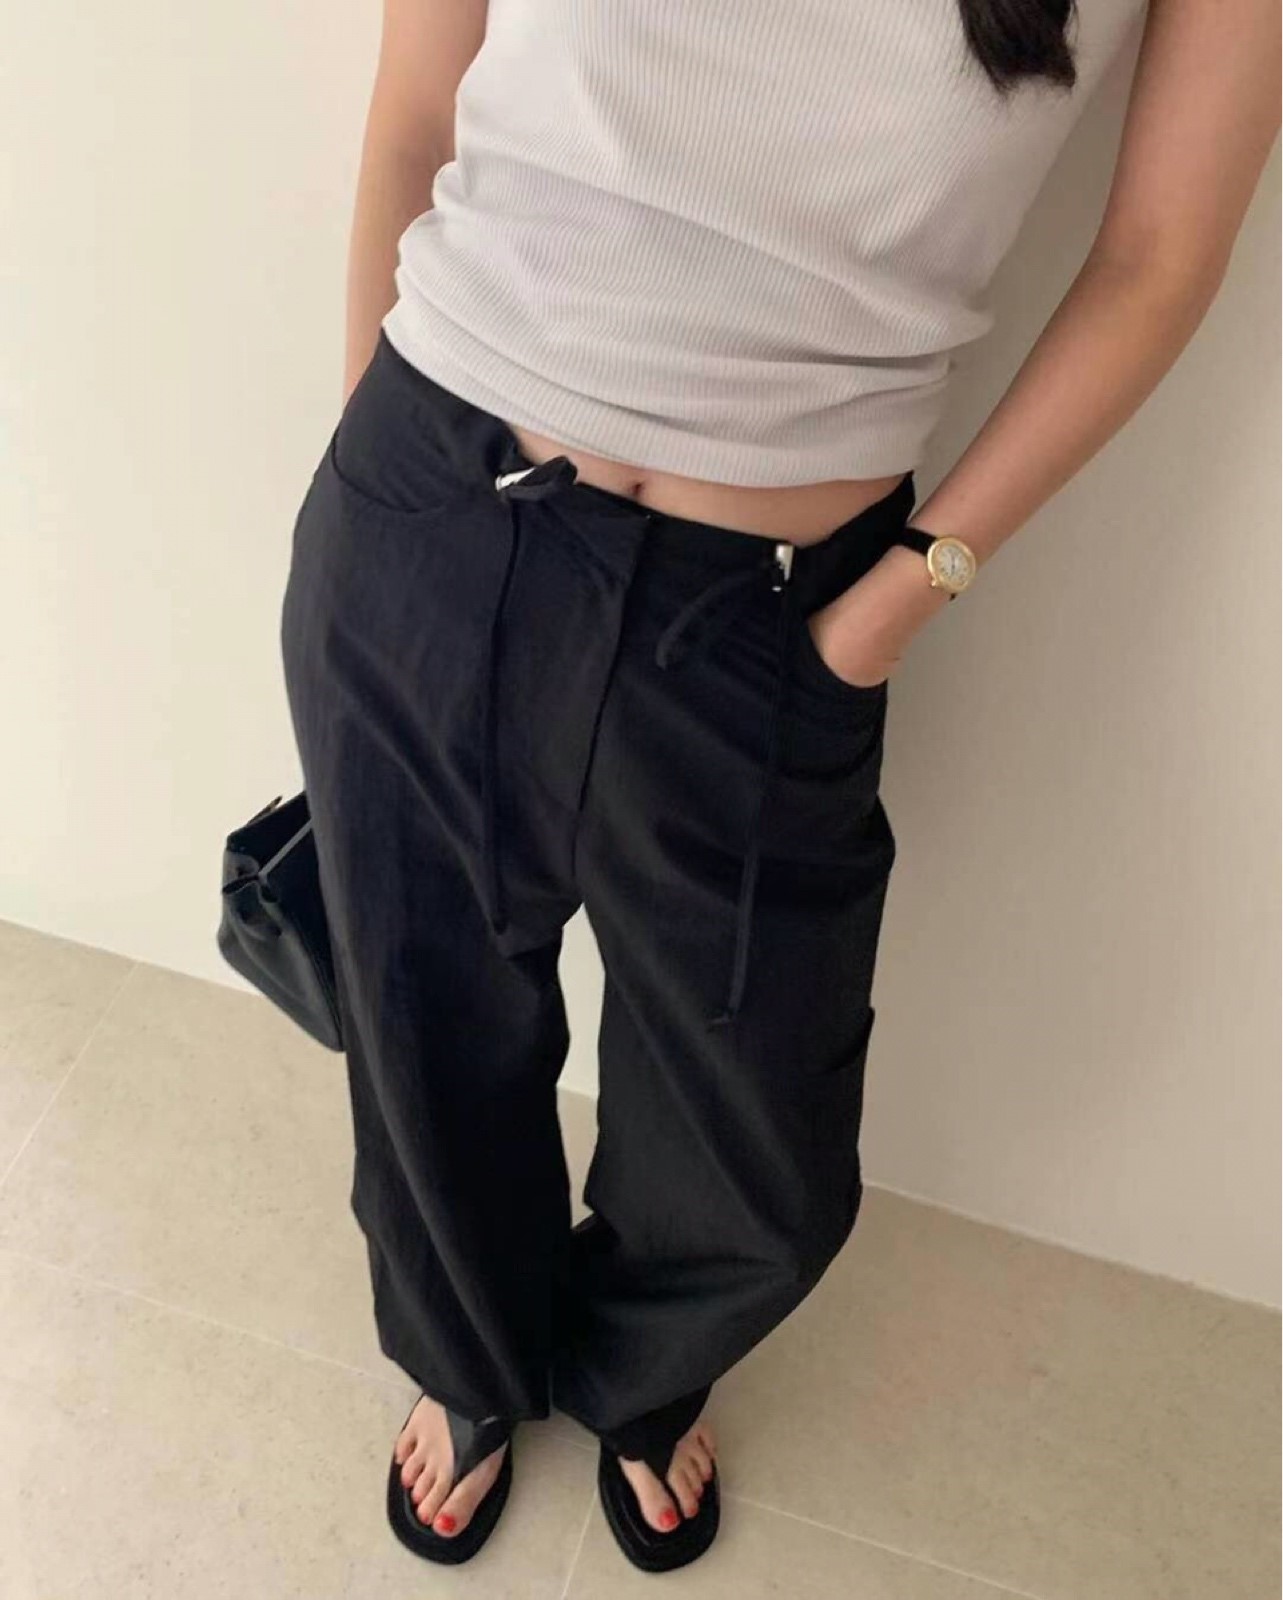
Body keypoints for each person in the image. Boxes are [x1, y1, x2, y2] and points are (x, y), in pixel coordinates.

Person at [279, 0, 1278, 1573]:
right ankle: (464, 1362)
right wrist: (374, 483)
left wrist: (899, 600)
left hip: (771, 615)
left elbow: (1159, 255)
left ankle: (642, 1367)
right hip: (436, 504)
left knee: (754, 1138)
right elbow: (418, 105)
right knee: (425, 1016)